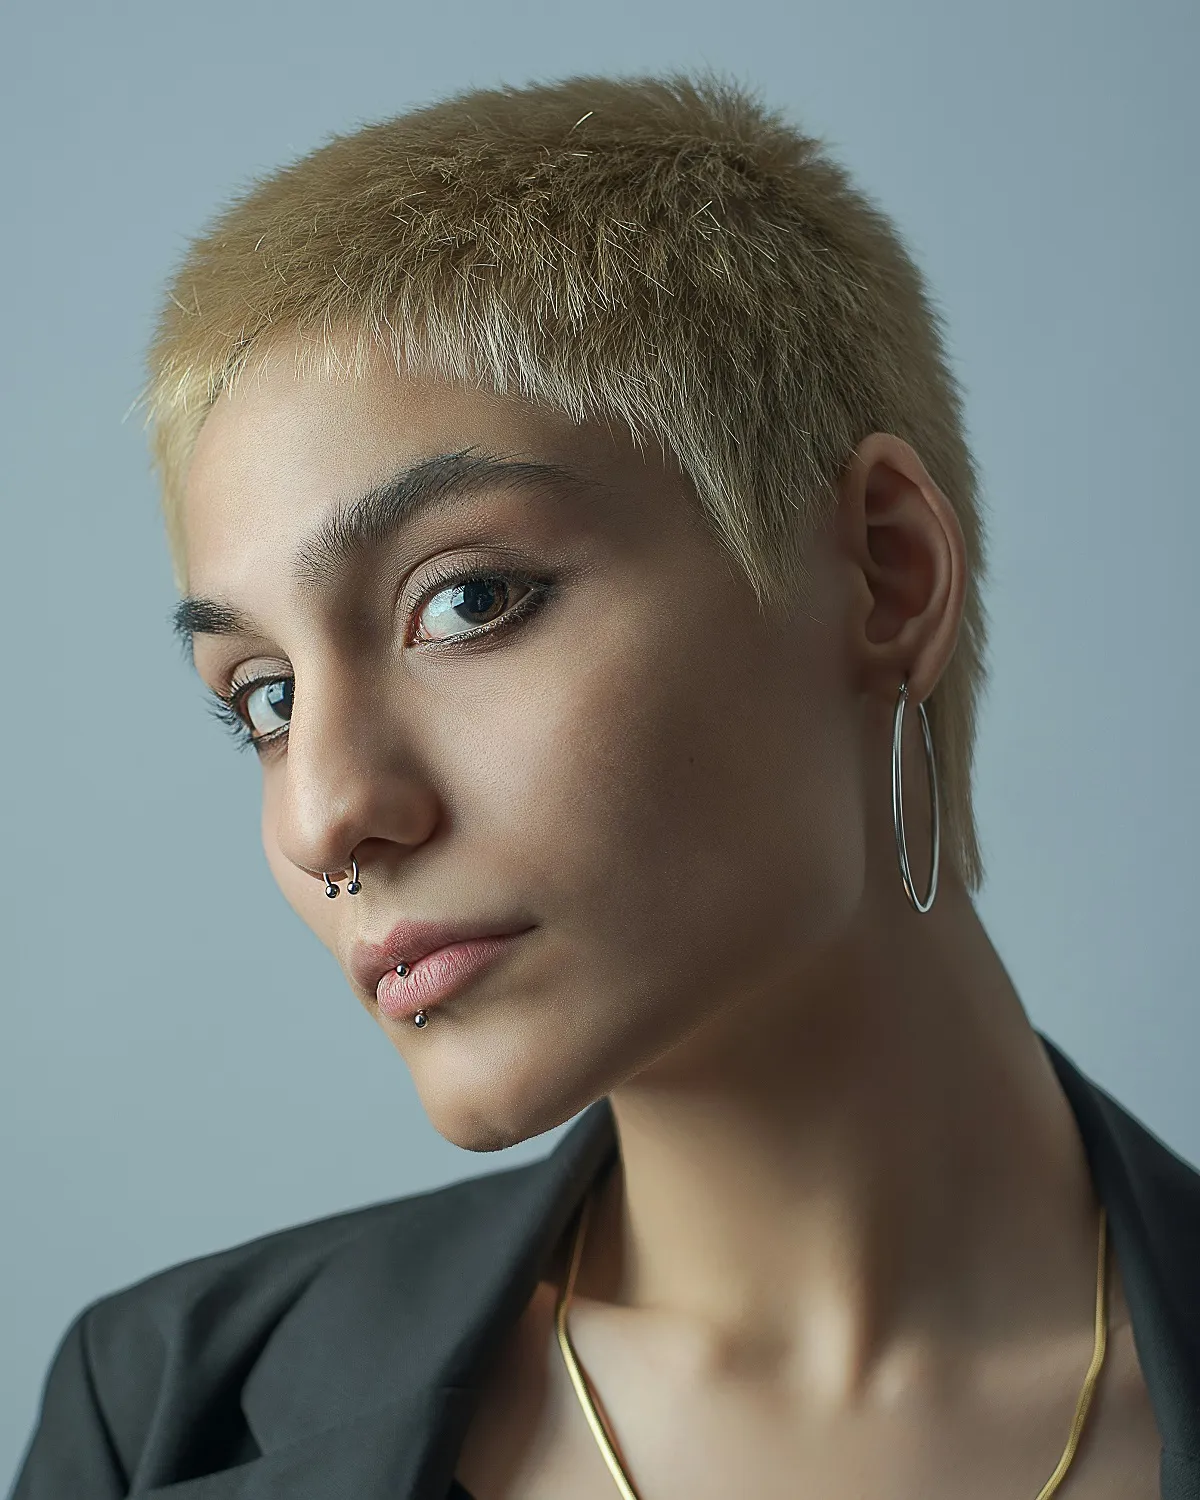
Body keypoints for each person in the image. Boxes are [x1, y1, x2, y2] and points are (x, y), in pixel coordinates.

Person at [11, 73, 1197, 1500]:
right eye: (264, 700)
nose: (325, 814)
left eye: (468, 602)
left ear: (886, 571)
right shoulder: (165, 1419)